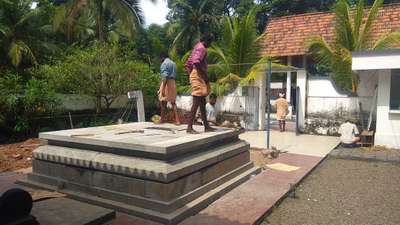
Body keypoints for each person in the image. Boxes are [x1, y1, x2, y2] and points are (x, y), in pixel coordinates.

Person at [185, 33, 215, 134]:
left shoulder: (196, 47)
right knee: (196, 102)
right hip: (198, 75)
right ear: (207, 41)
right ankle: (189, 128)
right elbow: (196, 63)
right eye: (210, 42)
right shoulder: (202, 48)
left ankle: (206, 126)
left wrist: (191, 75)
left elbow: (188, 63)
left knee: (202, 103)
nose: (210, 45)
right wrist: (202, 75)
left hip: (196, 74)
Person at [158, 52, 180, 125]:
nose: (160, 60)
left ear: (162, 57)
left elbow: (165, 76)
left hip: (167, 83)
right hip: (173, 82)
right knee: (173, 102)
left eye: (160, 59)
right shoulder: (174, 63)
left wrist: (163, 88)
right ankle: (177, 120)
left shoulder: (164, 64)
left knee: (163, 102)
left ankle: (161, 120)